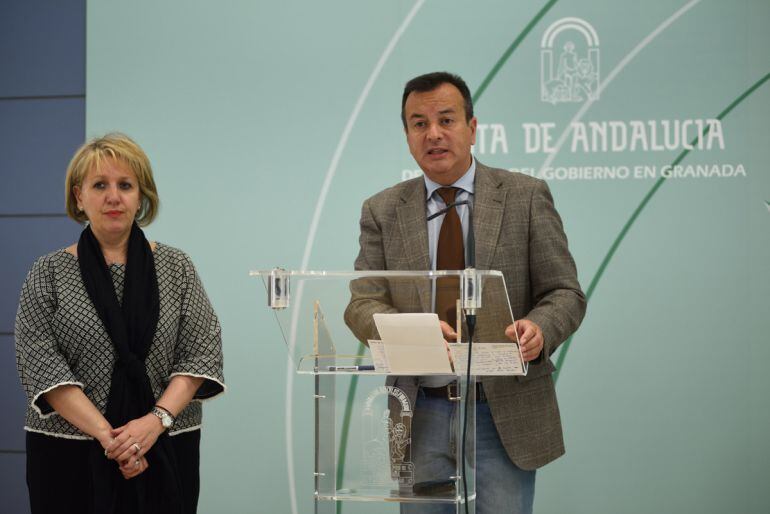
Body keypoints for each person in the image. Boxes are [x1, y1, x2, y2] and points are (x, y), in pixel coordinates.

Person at [344, 72, 586, 513]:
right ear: (407, 136)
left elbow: (565, 292)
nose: (433, 133)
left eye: (446, 120)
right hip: (421, 409)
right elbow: (362, 303)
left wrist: (539, 329)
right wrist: (409, 332)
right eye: (419, 123)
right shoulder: (382, 211)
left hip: (503, 407)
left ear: (472, 128)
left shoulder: (524, 197)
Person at [15, 133, 225, 514]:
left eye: (125, 185)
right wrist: (111, 438)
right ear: (79, 196)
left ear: (141, 196)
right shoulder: (46, 272)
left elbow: (201, 354)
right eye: (100, 185)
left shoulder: (177, 267)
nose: (113, 196)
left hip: (164, 445)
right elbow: (41, 365)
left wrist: (153, 423)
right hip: (68, 455)